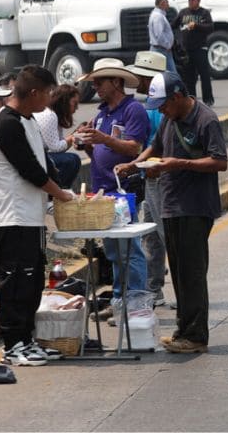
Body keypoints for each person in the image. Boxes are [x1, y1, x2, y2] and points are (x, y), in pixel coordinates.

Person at [117, 71, 227, 354]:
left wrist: (179, 164)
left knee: (192, 272)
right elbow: (156, 146)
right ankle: (183, 330)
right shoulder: (170, 118)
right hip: (170, 204)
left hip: (195, 206)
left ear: (177, 97)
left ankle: (196, 336)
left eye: (164, 105)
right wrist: (134, 164)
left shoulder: (206, 120)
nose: (162, 111)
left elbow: (219, 161)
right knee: (178, 271)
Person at [0, 65, 75, 366]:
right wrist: (60, 194)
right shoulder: (6, 123)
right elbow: (29, 170)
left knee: (33, 280)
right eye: (48, 93)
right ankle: (13, 345)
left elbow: (44, 162)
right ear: (34, 92)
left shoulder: (30, 120)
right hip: (13, 215)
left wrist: (61, 188)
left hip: (32, 215)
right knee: (15, 282)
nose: (50, 100)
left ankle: (27, 339)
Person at [76, 58, 150, 312]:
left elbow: (134, 148)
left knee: (128, 248)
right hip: (104, 189)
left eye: (100, 81)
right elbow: (99, 150)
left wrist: (103, 138)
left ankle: (136, 301)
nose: (95, 86)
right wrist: (88, 143)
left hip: (123, 188)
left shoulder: (132, 110)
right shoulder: (102, 114)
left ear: (116, 82)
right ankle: (120, 299)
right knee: (113, 249)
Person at [125, 51, 170, 306]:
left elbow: (162, 143)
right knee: (151, 236)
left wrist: (150, 162)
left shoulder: (161, 107)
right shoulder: (149, 104)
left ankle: (183, 290)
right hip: (150, 175)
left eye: (139, 77)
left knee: (166, 234)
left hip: (161, 176)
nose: (136, 81)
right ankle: (154, 288)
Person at [33, 85, 82, 190]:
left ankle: (61, 190)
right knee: (71, 160)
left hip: (42, 154)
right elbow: (56, 148)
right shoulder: (50, 115)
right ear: (64, 101)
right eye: (75, 103)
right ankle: (58, 191)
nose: (77, 108)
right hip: (36, 157)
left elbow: (60, 147)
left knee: (72, 159)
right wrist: (74, 136)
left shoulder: (56, 115)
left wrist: (76, 134)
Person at [172, 0, 214, 106]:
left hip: (200, 48)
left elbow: (210, 27)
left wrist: (196, 25)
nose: (190, 2)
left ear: (198, 1)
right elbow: (173, 25)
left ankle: (208, 99)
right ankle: (192, 99)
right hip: (187, 50)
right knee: (189, 77)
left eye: (193, 0)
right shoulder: (183, 12)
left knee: (204, 75)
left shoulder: (204, 13)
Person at [148, 0, 178, 74]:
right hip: (161, 50)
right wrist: (168, 45)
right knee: (172, 75)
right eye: (166, 2)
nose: (168, 5)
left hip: (161, 49)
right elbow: (159, 35)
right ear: (162, 4)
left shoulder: (156, 14)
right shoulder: (158, 17)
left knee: (163, 74)